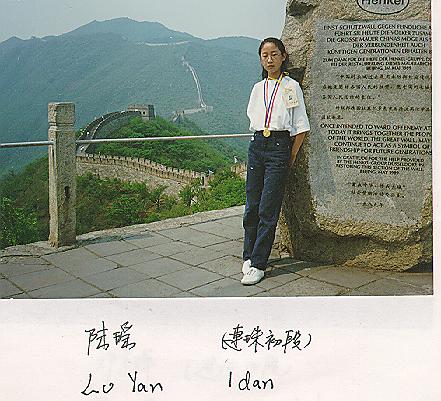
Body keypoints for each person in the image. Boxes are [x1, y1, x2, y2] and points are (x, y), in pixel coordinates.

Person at [241, 37, 310, 285]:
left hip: (280, 146)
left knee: (268, 208)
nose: (269, 60)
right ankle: (248, 255)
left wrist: (291, 154)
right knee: (251, 205)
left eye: (274, 54)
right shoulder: (258, 88)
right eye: (265, 55)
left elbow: (301, 126)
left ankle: (259, 264)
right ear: (261, 59)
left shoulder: (291, 86)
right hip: (257, 144)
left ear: (283, 57)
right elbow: (253, 118)